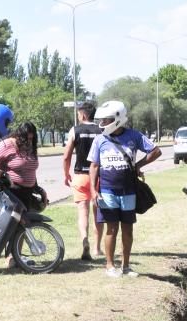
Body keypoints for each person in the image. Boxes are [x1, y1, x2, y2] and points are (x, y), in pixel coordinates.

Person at [87, 100, 162, 277]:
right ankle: (109, 265)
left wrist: (138, 165)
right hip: (107, 191)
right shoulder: (99, 140)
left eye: (106, 120)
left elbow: (156, 151)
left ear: (117, 119)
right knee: (111, 228)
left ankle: (126, 266)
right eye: (101, 120)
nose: (102, 124)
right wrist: (93, 190)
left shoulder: (134, 136)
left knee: (128, 228)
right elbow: (94, 166)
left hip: (129, 191)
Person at [62, 101, 103, 260]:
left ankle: (84, 240)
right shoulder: (101, 130)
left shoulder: (75, 130)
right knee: (98, 213)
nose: (78, 117)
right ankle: (97, 248)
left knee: (82, 213)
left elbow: (66, 156)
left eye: (79, 114)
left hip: (80, 176)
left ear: (84, 115)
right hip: (98, 177)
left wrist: (66, 174)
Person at [0, 122, 47, 210]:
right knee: (16, 220)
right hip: (11, 191)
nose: (28, 141)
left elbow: (31, 169)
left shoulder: (31, 146)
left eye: (31, 139)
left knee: (27, 220)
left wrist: (36, 187)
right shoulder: (6, 145)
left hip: (28, 192)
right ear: (18, 135)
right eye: (26, 139)